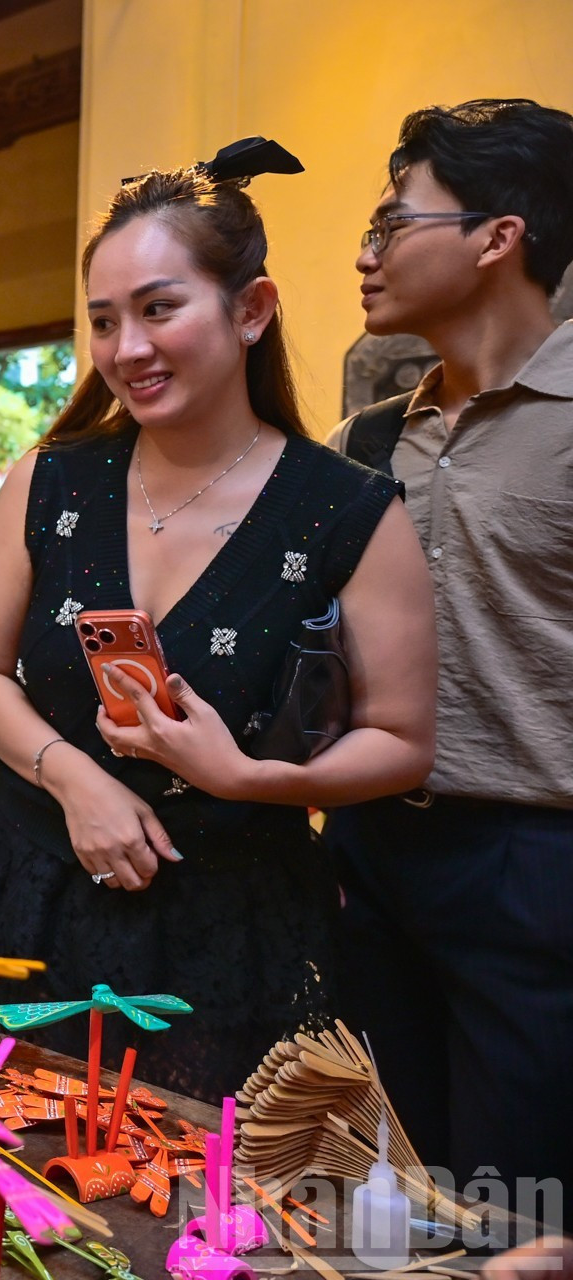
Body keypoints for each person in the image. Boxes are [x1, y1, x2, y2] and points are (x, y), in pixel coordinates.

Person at [0, 150, 438, 1103]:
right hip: (29, 888)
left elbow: (404, 741)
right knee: (5, 1194)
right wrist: (73, 777)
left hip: (229, 920)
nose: (127, 347)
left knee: (197, 1224)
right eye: (104, 320)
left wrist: (251, 779)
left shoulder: (346, 511)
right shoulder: (51, 480)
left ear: (251, 311)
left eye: (160, 309)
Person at [327, 99, 573, 1186]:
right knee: (378, 1193)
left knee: (517, 1201)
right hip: (369, 853)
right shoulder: (368, 441)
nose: (365, 254)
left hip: (536, 862)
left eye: (393, 224)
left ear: (497, 236)